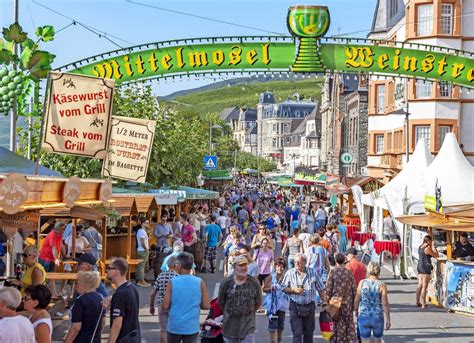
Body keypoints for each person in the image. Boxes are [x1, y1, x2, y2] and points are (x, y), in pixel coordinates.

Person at [162, 252, 210, 343]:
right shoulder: (200, 282)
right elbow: (207, 305)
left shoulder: (172, 282)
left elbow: (164, 306)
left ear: (179, 266)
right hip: (191, 326)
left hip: (174, 326)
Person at [282, 253, 326, 343]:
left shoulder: (312, 272)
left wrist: (324, 302)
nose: (297, 264)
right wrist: (294, 290)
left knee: (309, 333)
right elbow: (283, 288)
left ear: (305, 262)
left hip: (309, 306)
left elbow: (321, 288)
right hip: (295, 306)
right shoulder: (290, 273)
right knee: (297, 333)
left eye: (299, 262)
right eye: (295, 262)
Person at [218, 255, 262, 343]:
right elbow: (221, 303)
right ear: (234, 267)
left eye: (245, 265)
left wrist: (248, 312)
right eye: (240, 265)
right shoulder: (226, 283)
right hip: (230, 327)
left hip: (247, 327)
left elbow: (258, 302)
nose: (243, 268)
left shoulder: (254, 282)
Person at [354, 262, 391, 343]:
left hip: (364, 314)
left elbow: (357, 299)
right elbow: (385, 303)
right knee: (377, 340)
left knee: (365, 340)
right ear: (379, 271)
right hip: (377, 316)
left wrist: (356, 310)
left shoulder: (362, 283)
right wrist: (388, 319)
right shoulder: (382, 285)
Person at [107, 257, 141, 342]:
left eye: (109, 268)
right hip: (134, 334)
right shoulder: (132, 287)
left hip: (124, 338)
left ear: (117, 271)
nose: (107, 270)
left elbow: (117, 325)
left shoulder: (119, 294)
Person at [65, 271, 105, 343]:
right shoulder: (100, 297)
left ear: (85, 284)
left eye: (77, 282)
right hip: (95, 339)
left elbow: (76, 327)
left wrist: (67, 341)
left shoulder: (81, 300)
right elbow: (103, 321)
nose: (75, 285)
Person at [325, 253, 357, 342]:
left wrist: (326, 302)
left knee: (337, 325)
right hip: (348, 303)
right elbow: (354, 289)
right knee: (348, 323)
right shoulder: (349, 272)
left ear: (336, 261)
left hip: (335, 304)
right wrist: (355, 304)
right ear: (344, 260)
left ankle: (338, 340)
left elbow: (328, 289)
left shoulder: (333, 272)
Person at [150, 256, 179, 343]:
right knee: (175, 330)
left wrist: (151, 306)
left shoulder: (160, 275)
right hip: (174, 305)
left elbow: (152, 294)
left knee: (163, 330)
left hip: (161, 304)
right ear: (175, 265)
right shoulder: (177, 277)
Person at [263, 258, 289, 343]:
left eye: (281, 266)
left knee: (281, 323)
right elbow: (264, 289)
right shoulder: (271, 276)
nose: (279, 268)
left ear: (284, 268)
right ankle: (272, 341)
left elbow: (290, 289)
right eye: (278, 266)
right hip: (273, 305)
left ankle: (279, 340)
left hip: (283, 304)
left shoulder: (287, 277)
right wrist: (272, 288)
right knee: (273, 323)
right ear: (275, 267)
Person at [38, 221, 66, 299]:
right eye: (63, 229)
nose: (64, 230)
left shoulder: (59, 235)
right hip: (45, 258)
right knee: (43, 278)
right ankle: (40, 294)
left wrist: (65, 256)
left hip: (51, 259)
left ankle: (54, 294)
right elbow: (53, 248)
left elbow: (61, 245)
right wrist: (57, 259)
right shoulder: (52, 235)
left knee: (52, 277)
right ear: (59, 229)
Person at [415, 235, 439, 309]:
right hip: (426, 267)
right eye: (431, 241)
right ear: (428, 241)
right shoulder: (427, 248)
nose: (431, 242)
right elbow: (436, 255)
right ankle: (423, 303)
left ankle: (417, 301)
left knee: (420, 285)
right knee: (424, 286)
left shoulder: (420, 247)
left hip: (419, 266)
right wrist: (434, 247)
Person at [136, 217, 151, 287]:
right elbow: (142, 241)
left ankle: (140, 279)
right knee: (142, 266)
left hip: (140, 250)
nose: (148, 224)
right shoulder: (142, 231)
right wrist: (146, 249)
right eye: (147, 223)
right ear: (143, 223)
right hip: (143, 250)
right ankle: (141, 280)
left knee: (140, 266)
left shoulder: (141, 231)